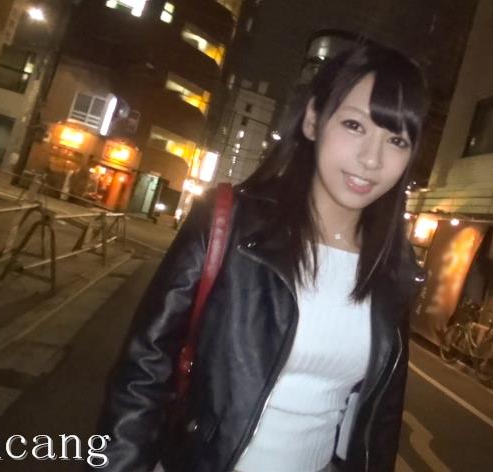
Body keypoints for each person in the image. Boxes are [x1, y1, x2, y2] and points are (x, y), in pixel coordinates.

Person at [96, 43, 429, 472]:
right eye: (354, 125)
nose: (371, 159)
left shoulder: (393, 268)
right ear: (313, 120)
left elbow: (380, 423)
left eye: (396, 140)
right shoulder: (230, 223)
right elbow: (142, 373)